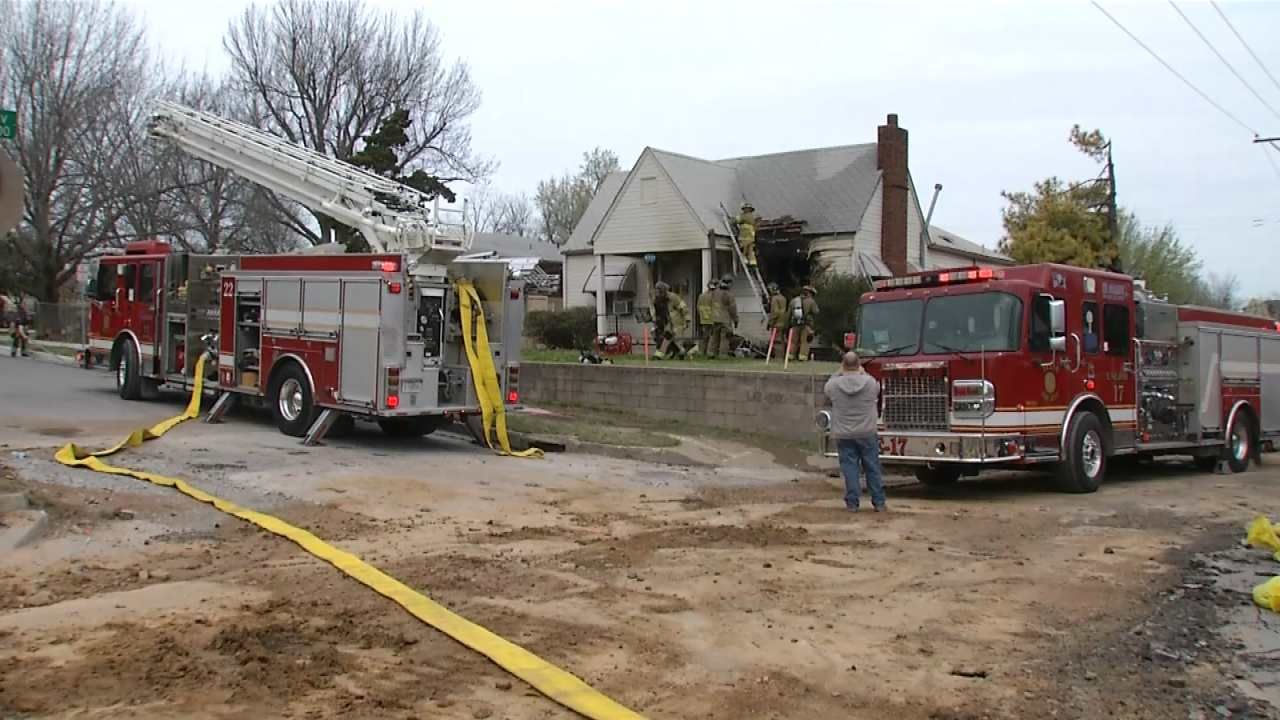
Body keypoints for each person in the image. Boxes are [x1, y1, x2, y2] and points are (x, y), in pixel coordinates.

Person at [824, 352, 885, 512]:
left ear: (843, 365)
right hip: (867, 432)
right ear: (859, 365)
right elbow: (877, 387)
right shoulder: (870, 383)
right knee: (872, 467)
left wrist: (839, 372)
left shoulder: (834, 385)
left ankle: (852, 503)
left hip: (844, 433)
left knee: (850, 468)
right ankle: (878, 502)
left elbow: (827, 387)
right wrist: (862, 372)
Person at [652, 282, 690, 359]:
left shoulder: (673, 297)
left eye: (660, 290)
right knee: (668, 338)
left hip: (676, 322)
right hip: (664, 321)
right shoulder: (657, 299)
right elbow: (656, 311)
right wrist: (655, 320)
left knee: (669, 336)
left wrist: (687, 319)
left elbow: (683, 307)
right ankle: (680, 352)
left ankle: (660, 354)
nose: (658, 293)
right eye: (657, 290)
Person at [709, 274, 738, 358]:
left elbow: (711, 304)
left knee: (714, 337)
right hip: (725, 319)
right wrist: (736, 320)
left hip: (715, 318)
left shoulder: (714, 293)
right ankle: (723, 354)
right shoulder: (729, 294)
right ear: (729, 283)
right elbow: (733, 309)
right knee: (725, 337)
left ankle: (711, 353)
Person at [789, 285, 819, 362]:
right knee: (804, 341)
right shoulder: (811, 301)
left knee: (793, 341)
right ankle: (802, 357)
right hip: (806, 324)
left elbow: (789, 313)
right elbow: (816, 312)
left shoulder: (794, 300)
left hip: (795, 324)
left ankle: (790, 356)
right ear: (810, 293)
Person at [692, 279, 718, 357]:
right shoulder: (714, 296)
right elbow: (717, 307)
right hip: (713, 319)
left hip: (703, 319)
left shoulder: (701, 296)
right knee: (713, 337)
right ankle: (710, 353)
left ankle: (702, 352)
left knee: (704, 337)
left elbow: (698, 307)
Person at [767, 282, 788, 355]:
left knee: (775, 340)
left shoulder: (774, 299)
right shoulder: (783, 298)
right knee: (782, 339)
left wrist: (770, 322)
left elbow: (775, 312)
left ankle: (776, 356)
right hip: (783, 322)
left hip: (776, 323)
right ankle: (782, 354)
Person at [736, 201, 759, 269]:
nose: (745, 210)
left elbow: (737, 220)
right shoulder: (752, 216)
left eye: (745, 209)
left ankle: (745, 261)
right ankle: (752, 263)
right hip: (751, 237)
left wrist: (731, 219)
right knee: (750, 251)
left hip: (745, 236)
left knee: (743, 249)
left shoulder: (745, 216)